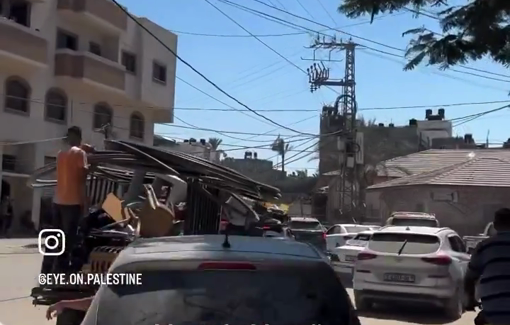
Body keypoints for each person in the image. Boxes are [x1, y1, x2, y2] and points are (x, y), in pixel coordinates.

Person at [49, 126, 89, 273]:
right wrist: (85, 203)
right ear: (79, 137)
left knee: (56, 238)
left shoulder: (60, 154)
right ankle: (63, 273)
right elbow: (82, 178)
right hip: (72, 203)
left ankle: (49, 271)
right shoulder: (81, 154)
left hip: (57, 201)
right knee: (69, 240)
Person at [464, 208, 510, 325]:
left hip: (493, 309)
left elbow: (470, 278)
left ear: (495, 225)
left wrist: (470, 301)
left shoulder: (484, 246)